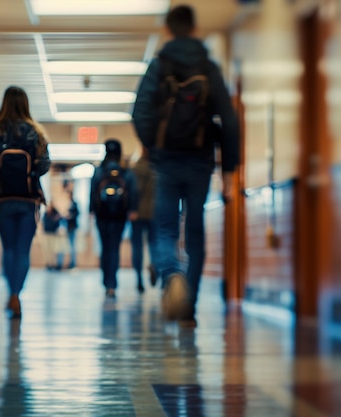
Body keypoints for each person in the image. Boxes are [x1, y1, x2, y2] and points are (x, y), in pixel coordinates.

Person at [132, 5, 239, 323]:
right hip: (200, 161)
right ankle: (189, 304)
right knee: (195, 231)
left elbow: (139, 113)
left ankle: (171, 275)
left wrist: (153, 146)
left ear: (167, 29)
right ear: (194, 29)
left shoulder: (159, 65)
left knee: (164, 229)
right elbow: (230, 121)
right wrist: (230, 169)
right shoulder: (209, 67)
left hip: (166, 162)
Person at [0, 86, 50, 319]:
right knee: (23, 250)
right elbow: (43, 166)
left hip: (2, 198)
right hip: (28, 198)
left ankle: (11, 294)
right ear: (25, 104)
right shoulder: (35, 132)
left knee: (9, 248)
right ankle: (16, 295)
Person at [90, 139, 139, 298]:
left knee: (105, 247)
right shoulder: (126, 171)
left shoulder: (99, 171)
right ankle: (112, 284)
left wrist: (91, 210)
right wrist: (132, 209)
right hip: (119, 215)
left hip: (102, 215)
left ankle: (106, 282)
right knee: (114, 248)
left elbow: (93, 191)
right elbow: (133, 191)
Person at [130, 148, 157, 294]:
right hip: (154, 212)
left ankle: (139, 278)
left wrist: (132, 209)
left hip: (138, 213)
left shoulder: (137, 168)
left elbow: (135, 191)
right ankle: (154, 265)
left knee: (137, 246)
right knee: (154, 244)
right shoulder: (158, 168)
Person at [42, 203, 64, 270]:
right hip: (48, 233)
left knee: (54, 250)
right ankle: (49, 263)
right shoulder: (46, 214)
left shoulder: (55, 213)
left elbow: (59, 220)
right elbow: (45, 223)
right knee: (48, 250)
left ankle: (54, 263)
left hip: (53, 233)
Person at [65, 191, 79, 269]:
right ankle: (71, 262)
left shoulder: (74, 204)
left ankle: (73, 263)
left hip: (73, 227)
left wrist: (69, 216)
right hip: (69, 227)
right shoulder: (69, 204)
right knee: (70, 246)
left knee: (73, 246)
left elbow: (77, 214)